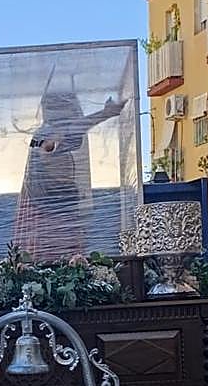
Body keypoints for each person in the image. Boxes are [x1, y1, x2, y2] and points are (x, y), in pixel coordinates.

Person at [12, 91, 126, 260]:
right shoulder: (43, 136)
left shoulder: (49, 135)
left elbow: (72, 133)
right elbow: (51, 145)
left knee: (68, 258)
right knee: (49, 259)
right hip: (46, 211)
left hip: (60, 205)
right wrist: (104, 114)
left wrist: (104, 114)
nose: (75, 113)